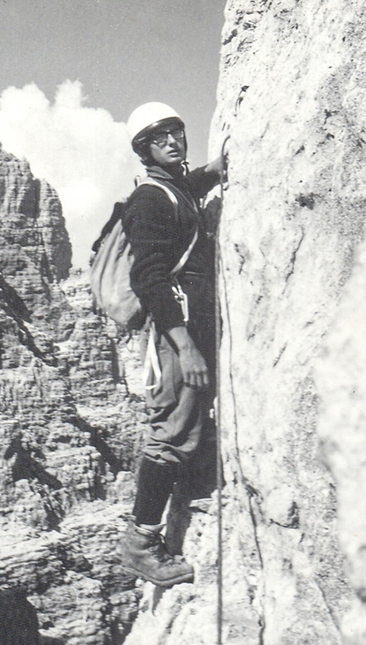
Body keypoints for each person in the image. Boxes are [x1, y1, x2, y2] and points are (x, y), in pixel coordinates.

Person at [119, 102, 228, 588]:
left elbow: (187, 190)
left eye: (176, 131)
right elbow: (149, 277)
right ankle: (141, 544)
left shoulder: (172, 188)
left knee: (188, 419)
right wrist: (183, 346)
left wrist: (210, 172)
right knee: (171, 431)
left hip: (190, 327)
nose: (172, 140)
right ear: (144, 149)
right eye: (159, 137)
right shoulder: (148, 200)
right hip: (174, 333)